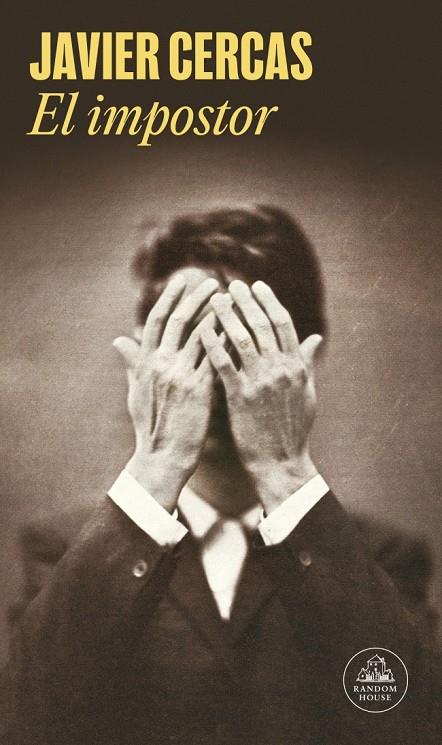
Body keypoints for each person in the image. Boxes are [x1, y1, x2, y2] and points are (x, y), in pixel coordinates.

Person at [1, 206, 439, 745]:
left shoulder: (381, 558)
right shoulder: (66, 550)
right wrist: (158, 460)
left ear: (305, 356)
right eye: (188, 339)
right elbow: (25, 724)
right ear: (144, 359)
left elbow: (406, 719)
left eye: (246, 339)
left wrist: (284, 469)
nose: (217, 369)